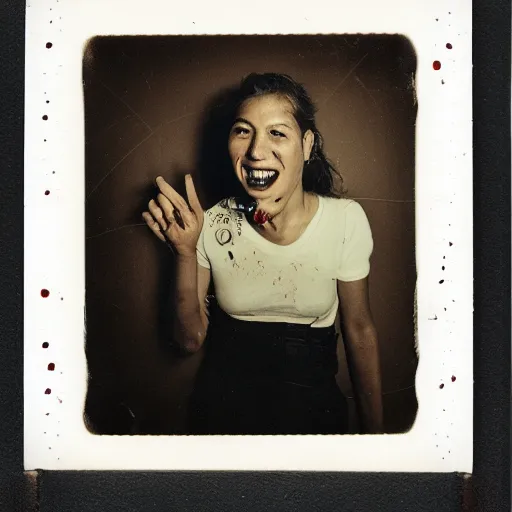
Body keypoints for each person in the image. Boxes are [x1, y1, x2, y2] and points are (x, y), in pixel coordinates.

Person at [142, 73, 383, 435]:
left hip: (313, 411)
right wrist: (185, 252)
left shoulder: (345, 221)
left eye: (277, 132)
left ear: (306, 145)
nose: (255, 151)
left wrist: (377, 440)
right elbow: (189, 340)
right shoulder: (210, 223)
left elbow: (360, 330)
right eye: (243, 130)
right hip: (224, 412)